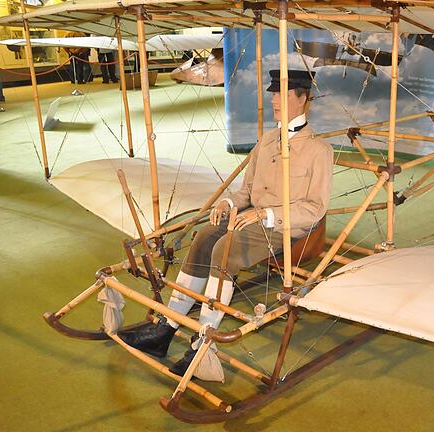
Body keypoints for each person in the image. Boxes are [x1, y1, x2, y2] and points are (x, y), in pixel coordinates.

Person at [118, 70, 333, 377]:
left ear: (303, 99)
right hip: (250, 219)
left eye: (282, 94)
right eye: (273, 94)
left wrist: (266, 215)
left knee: (223, 250)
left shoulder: (319, 151)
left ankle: (201, 343)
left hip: (283, 227)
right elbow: (246, 191)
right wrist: (228, 203)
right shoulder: (268, 141)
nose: (273, 100)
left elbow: (314, 208)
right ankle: (167, 329)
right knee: (205, 236)